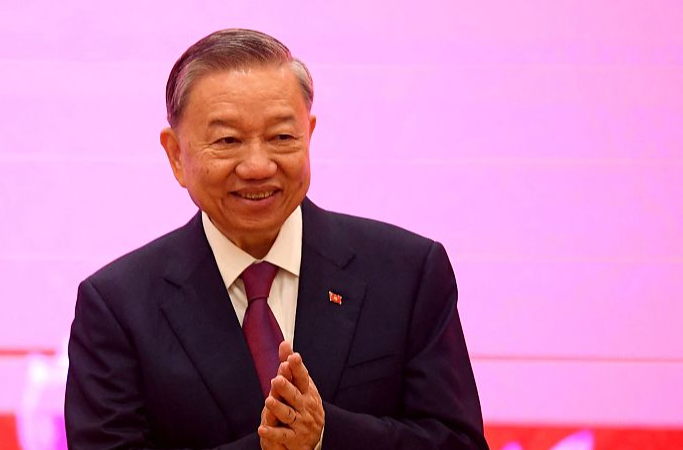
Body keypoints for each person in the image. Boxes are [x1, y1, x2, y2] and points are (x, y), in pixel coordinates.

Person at [65, 28, 489, 450]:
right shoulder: (117, 307)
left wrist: (326, 434)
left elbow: (458, 443)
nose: (257, 165)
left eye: (282, 137)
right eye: (228, 140)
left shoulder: (407, 272)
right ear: (176, 155)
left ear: (310, 134)